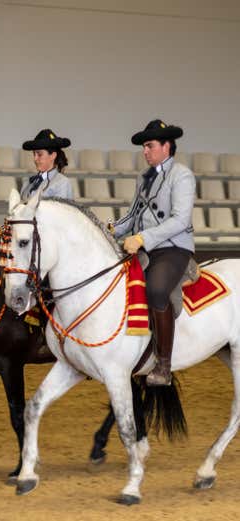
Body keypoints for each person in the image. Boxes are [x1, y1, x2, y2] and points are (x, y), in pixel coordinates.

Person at [112, 119, 195, 386]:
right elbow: (133, 214)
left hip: (173, 248)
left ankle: (164, 365)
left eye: (149, 146)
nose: (145, 151)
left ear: (166, 146)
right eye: (144, 147)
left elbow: (180, 219)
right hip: (145, 245)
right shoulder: (143, 177)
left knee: (157, 291)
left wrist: (141, 238)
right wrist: (110, 229)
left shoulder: (182, 175)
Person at [20, 129, 74, 200]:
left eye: (39, 154)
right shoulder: (27, 183)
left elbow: (60, 210)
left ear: (53, 155)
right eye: (34, 154)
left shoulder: (62, 183)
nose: (35, 159)